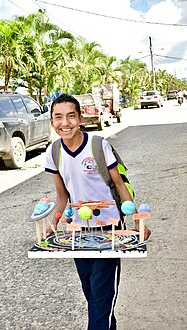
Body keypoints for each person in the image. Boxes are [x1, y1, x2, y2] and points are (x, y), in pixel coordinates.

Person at [45, 93, 151, 330]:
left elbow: (120, 185)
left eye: (71, 116)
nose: (65, 123)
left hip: (109, 230)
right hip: (79, 236)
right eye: (58, 117)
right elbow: (62, 195)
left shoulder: (98, 145)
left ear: (80, 118)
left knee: (101, 298)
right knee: (92, 294)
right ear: (52, 121)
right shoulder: (53, 152)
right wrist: (53, 226)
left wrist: (136, 222)